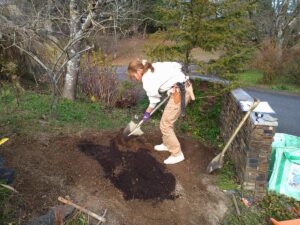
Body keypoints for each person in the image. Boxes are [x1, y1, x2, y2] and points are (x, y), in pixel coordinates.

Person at [127, 59, 195, 165]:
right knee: (165, 121)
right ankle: (167, 144)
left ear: (139, 70)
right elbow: (176, 65)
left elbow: (153, 102)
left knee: (165, 124)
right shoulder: (151, 66)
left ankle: (177, 154)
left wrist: (146, 114)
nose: (135, 79)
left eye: (134, 75)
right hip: (180, 88)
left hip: (180, 92)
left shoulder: (147, 80)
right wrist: (172, 84)